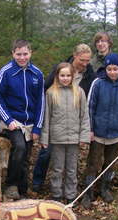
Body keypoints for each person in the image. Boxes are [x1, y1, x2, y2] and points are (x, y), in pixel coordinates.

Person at [32, 44, 96, 192]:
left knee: (71, 166)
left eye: (88, 60)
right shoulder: (60, 70)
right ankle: (38, 181)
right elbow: (45, 89)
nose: (85, 63)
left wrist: (84, 134)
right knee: (48, 156)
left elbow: (85, 109)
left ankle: (70, 191)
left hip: (73, 125)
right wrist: (43, 134)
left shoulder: (88, 75)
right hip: (56, 126)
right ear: (75, 56)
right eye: (82, 60)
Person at [0, 39, 45, 200]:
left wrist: (37, 127)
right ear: (13, 54)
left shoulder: (37, 73)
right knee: (20, 147)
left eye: (25, 54)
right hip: (12, 122)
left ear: (30, 53)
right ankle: (11, 185)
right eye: (18, 54)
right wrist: (8, 120)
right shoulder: (6, 72)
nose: (22, 57)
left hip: (30, 123)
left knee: (26, 156)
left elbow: (40, 102)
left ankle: (23, 190)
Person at [82, 53, 118, 209]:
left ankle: (105, 188)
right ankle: (88, 192)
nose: (112, 72)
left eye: (115, 69)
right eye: (109, 69)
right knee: (93, 163)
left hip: (117, 132)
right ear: (105, 69)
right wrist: (89, 129)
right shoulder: (97, 83)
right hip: (98, 132)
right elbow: (89, 107)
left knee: (110, 163)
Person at [40, 63, 90, 203]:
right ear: (57, 76)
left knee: (71, 169)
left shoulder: (79, 92)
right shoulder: (51, 93)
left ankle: (70, 195)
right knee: (57, 168)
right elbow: (47, 117)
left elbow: (84, 116)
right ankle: (56, 194)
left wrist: (84, 136)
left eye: (68, 75)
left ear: (73, 76)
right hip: (57, 139)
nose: (65, 78)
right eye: (62, 75)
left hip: (74, 138)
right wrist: (45, 138)